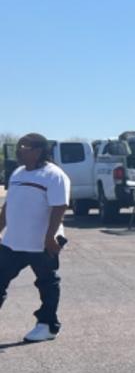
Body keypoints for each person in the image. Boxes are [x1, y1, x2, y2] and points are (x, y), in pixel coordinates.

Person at [0, 133, 70, 342]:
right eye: (20, 146)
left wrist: (50, 238)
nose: (20, 150)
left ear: (39, 151)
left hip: (41, 243)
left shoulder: (54, 175)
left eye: (25, 147)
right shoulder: (18, 173)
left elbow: (60, 207)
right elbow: (8, 205)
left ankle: (47, 325)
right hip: (12, 242)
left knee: (47, 283)